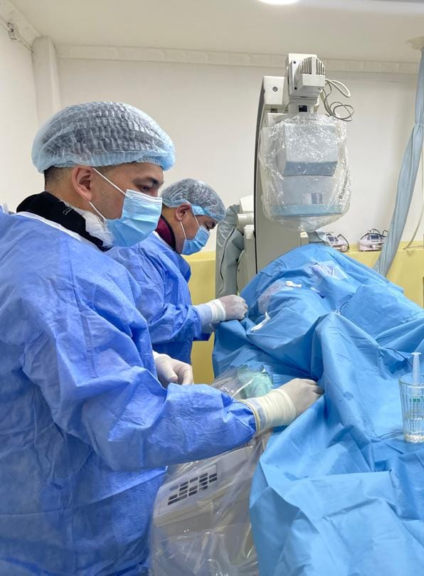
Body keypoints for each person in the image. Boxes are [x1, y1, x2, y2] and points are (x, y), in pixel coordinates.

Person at [0, 101, 323, 575]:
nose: (155, 201)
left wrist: (142, 355)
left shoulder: (29, 241)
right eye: (146, 186)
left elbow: (50, 352)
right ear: (85, 180)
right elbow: (129, 423)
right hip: (76, 532)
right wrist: (261, 410)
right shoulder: (64, 273)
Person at [109, 178, 247, 364]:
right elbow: (150, 323)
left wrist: (207, 323)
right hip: (147, 371)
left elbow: (171, 323)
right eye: (207, 226)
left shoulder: (165, 255)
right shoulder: (139, 252)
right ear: (182, 212)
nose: (206, 235)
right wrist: (213, 310)